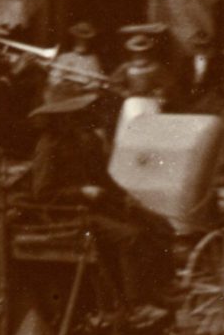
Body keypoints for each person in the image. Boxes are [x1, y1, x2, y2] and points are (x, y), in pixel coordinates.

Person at [28, 86, 174, 312]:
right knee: (130, 237)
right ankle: (136, 304)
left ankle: (158, 288)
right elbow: (42, 194)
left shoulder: (84, 140)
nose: (74, 118)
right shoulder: (49, 146)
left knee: (159, 225)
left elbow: (103, 179)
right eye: (68, 114)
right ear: (57, 117)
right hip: (68, 217)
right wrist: (81, 192)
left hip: (96, 208)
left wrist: (125, 197)